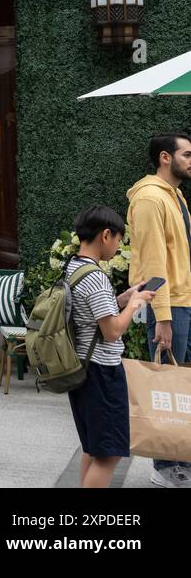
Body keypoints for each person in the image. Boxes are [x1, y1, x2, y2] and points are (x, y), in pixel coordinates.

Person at [64, 205, 156, 488]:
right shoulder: (95, 276)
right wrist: (136, 305)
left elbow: (92, 313)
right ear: (106, 235)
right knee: (109, 455)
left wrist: (123, 299)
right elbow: (113, 330)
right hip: (101, 373)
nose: (119, 245)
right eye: (118, 239)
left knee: (93, 448)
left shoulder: (73, 267)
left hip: (80, 367)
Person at [127, 132, 191, 487]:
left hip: (185, 300)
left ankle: (182, 454)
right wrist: (163, 317)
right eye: (187, 154)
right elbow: (153, 262)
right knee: (167, 384)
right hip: (172, 306)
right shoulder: (151, 198)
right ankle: (165, 465)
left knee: (183, 385)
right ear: (165, 158)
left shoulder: (175, 195)